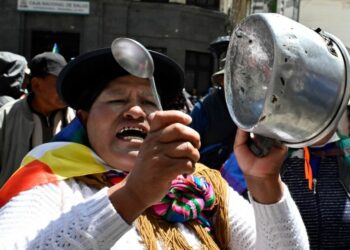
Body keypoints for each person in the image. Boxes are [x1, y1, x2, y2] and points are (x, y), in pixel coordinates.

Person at [0, 40, 308, 249]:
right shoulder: (52, 187)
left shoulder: (204, 187)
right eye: (117, 99)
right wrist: (133, 194)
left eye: (148, 101)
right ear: (84, 117)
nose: (135, 110)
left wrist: (265, 182)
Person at [0, 52, 75, 187]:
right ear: (36, 85)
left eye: (67, 82)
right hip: (14, 201)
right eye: (58, 84)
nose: (65, 89)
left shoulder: (76, 118)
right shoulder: (6, 116)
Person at [190, 36, 237, 170]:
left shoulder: (254, 108)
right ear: (222, 80)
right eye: (232, 77)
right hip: (208, 180)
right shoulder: (204, 108)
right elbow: (189, 148)